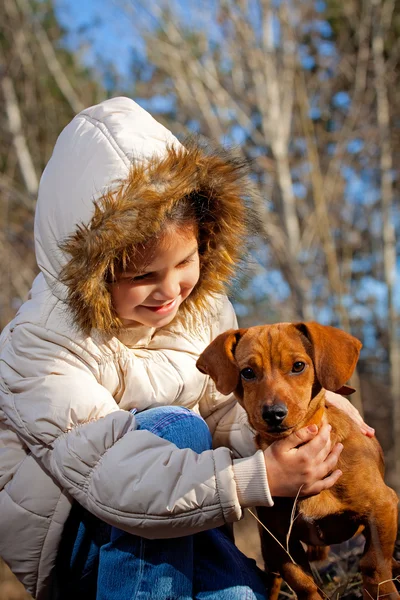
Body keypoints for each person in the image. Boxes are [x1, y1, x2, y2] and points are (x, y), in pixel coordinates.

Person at [0, 97, 374, 600]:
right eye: (143, 276)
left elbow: (227, 415)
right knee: (174, 426)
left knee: (240, 595)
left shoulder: (206, 312)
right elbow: (114, 477)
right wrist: (257, 478)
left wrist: (305, 413)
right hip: (83, 534)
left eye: (185, 261)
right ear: (91, 274)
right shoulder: (41, 343)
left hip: (188, 516)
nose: (171, 289)